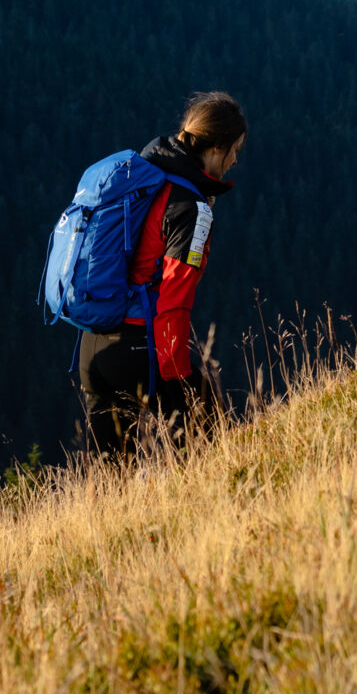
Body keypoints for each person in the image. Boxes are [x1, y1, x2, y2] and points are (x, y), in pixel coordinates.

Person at [77, 92, 246, 453]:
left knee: (111, 484)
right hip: (139, 348)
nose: (235, 160)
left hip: (93, 345)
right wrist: (179, 378)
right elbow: (174, 300)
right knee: (211, 447)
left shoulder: (145, 182)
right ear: (215, 147)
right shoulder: (191, 209)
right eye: (235, 149)